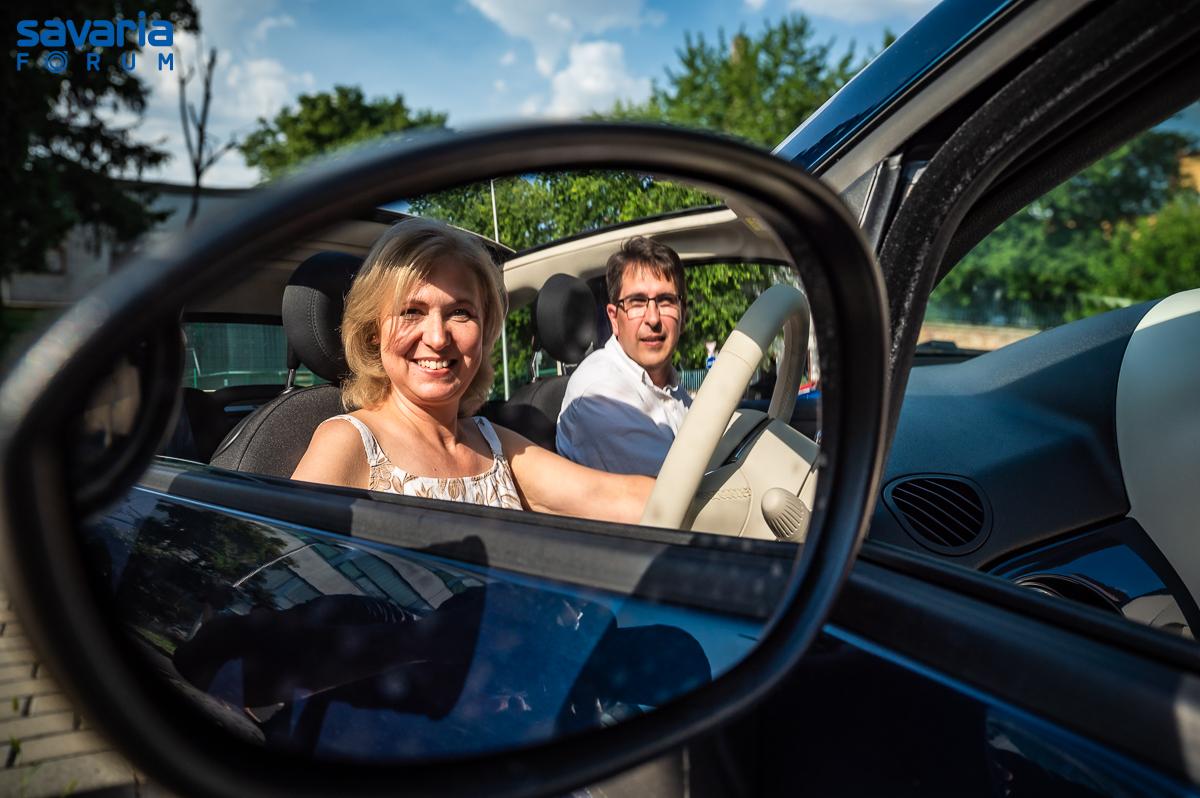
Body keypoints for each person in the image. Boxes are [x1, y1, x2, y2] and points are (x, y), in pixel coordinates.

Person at [292, 218, 651, 524]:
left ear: (485, 329)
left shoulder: (495, 443)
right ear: (374, 330)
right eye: (411, 312)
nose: (437, 338)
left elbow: (609, 496)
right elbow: (287, 564)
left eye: (460, 312)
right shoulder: (349, 443)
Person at [556, 237, 691, 476]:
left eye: (666, 301)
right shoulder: (600, 394)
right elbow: (679, 488)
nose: (653, 318)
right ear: (614, 319)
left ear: (683, 315)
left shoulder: (670, 386)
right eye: (637, 302)